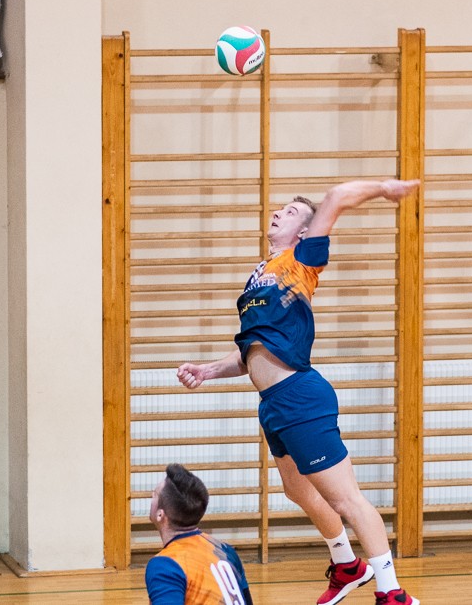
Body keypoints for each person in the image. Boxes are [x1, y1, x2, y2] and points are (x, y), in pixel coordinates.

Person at [176, 179, 420, 605]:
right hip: (273, 403)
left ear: (306, 231)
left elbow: (337, 197)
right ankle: (347, 567)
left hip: (300, 396)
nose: (278, 213)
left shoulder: (302, 259)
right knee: (298, 490)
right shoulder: (260, 276)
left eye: (290, 212)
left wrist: (385, 188)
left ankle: (392, 592)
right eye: (280, 208)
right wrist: (208, 370)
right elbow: (252, 353)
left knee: (346, 499)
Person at [145, 463, 253, 605]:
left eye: (154, 495)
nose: (151, 497)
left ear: (160, 515)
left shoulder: (165, 565)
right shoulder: (225, 550)